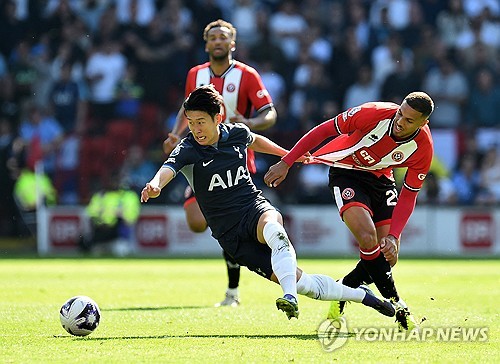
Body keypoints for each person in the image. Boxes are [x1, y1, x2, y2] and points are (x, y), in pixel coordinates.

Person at [142, 85, 396, 320]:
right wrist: (155, 184)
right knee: (303, 282)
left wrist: (288, 155)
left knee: (274, 229)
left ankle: (289, 297)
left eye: (201, 122)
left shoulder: (236, 133)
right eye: (191, 123)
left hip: (253, 207)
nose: (196, 129)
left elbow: (255, 140)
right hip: (229, 235)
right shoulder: (188, 148)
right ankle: (363, 296)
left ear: (218, 118)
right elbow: (169, 167)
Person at [264, 91, 434, 331]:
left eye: (408, 120)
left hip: (382, 180)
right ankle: (399, 305)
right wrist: (287, 161)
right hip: (347, 172)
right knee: (367, 239)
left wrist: (394, 237)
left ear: (423, 123)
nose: (400, 121)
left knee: (386, 255)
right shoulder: (373, 113)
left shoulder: (423, 148)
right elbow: (324, 130)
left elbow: (409, 194)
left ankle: (343, 290)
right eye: (400, 114)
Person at [162, 19, 278, 307]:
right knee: (196, 222)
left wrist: (249, 122)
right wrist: (176, 134)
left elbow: (270, 112)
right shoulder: (196, 74)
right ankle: (247, 250)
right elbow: (185, 109)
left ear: (232, 44)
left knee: (229, 221)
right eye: (212, 37)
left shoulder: (247, 75)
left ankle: (233, 291)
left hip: (236, 158)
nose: (217, 41)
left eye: (223, 37)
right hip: (200, 159)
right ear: (206, 44)